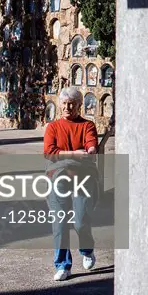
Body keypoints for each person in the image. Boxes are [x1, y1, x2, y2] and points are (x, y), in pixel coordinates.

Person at [43, 86, 99, 282]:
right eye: (65, 104)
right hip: (57, 178)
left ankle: (87, 250)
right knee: (60, 222)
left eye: (72, 104)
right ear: (60, 106)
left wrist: (90, 150)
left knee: (81, 221)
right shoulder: (53, 127)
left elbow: (91, 145)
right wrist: (75, 154)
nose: (68, 107)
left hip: (82, 178)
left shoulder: (87, 125)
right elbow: (49, 152)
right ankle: (62, 265)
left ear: (79, 106)